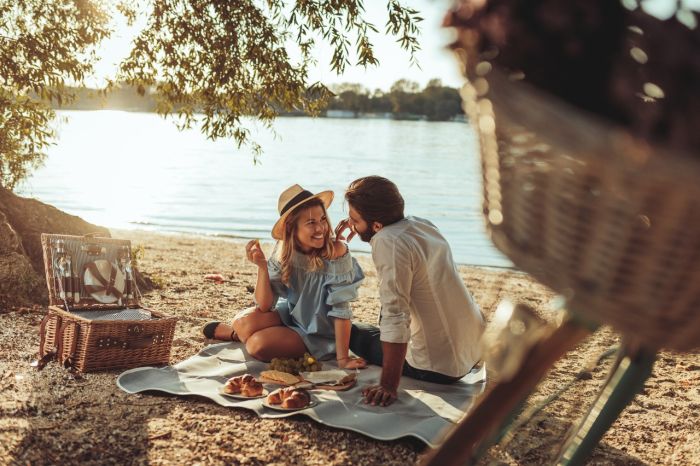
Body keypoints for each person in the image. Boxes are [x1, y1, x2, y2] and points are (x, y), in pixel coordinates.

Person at [335, 176, 485, 406]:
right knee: (370, 329)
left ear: (376, 225)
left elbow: (396, 316)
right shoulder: (421, 224)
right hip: (473, 350)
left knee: (350, 333)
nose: (351, 225)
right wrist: (359, 221)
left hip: (438, 368)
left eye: (355, 220)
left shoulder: (388, 242)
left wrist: (388, 385)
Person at [203, 184, 366, 369]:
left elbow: (341, 310)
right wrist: (262, 267)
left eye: (323, 219)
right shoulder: (283, 252)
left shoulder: (337, 253)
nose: (321, 228)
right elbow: (265, 305)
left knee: (257, 345)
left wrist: (343, 359)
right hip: (291, 315)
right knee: (241, 322)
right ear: (291, 228)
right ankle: (238, 333)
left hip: (320, 332)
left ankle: (240, 336)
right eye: (311, 223)